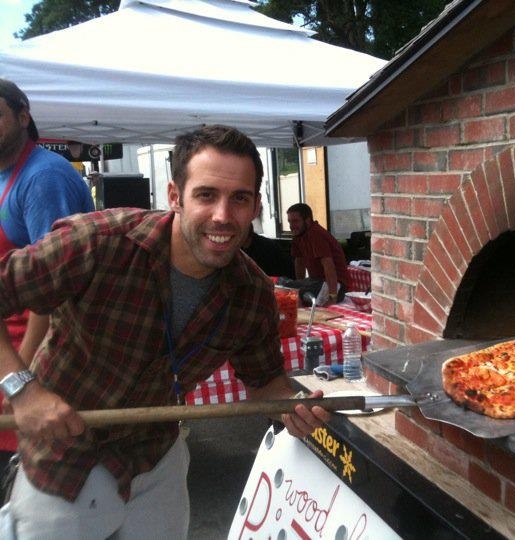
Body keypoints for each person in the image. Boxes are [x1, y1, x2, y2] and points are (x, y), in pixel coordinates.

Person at [0, 125, 330, 538]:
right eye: (206, 195)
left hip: (155, 458)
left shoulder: (252, 294)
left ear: (256, 206)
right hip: (64, 459)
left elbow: (265, 385)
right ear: (175, 196)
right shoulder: (99, 243)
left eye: (239, 199)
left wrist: (297, 408)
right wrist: (23, 390)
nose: (223, 216)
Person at [0, 79, 95, 470]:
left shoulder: (43, 178)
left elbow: (53, 288)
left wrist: (18, 381)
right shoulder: (5, 174)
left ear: (24, 117)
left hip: (33, 358)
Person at [286, 202, 350, 305]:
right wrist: (300, 283)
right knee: (284, 289)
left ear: (307, 220)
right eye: (289, 222)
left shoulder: (315, 234)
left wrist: (332, 296)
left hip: (336, 285)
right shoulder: (298, 235)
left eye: (295, 221)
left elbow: (329, 266)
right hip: (315, 282)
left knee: (298, 293)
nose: (291, 226)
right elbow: (299, 262)